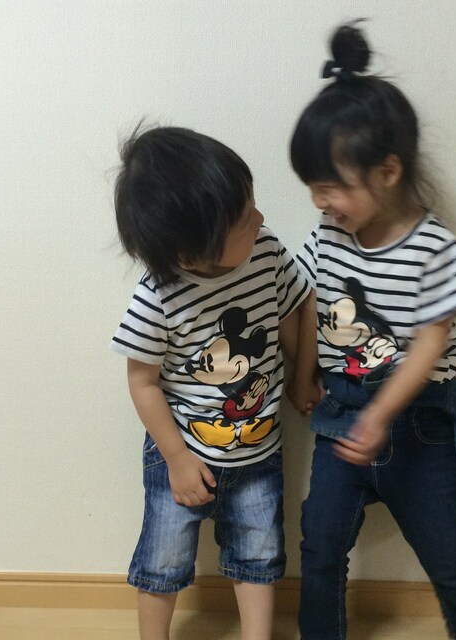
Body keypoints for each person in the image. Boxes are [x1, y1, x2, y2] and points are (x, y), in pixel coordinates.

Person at [287, 22, 456, 640]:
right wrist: (304, 375)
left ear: (387, 171)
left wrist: (382, 415)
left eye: (331, 187)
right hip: (340, 411)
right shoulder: (331, 233)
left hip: (418, 422)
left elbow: (432, 339)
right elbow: (310, 299)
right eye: (312, 187)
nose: (320, 201)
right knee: (320, 546)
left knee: (448, 555)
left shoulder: (433, 246)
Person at [110, 125, 311, 640]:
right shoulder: (158, 296)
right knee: (163, 559)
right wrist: (177, 458)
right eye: (244, 219)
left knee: (259, 557)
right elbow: (142, 382)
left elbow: (295, 306)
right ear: (189, 254)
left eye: (253, 206)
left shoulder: (265, 251)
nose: (260, 219)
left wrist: (302, 376)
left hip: (259, 451)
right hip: (182, 453)